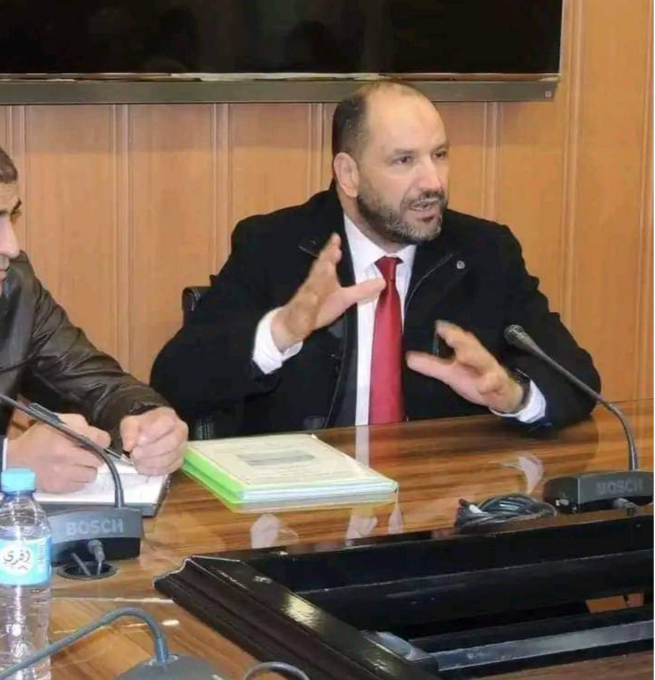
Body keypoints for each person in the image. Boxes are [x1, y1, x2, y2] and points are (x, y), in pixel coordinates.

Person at [151, 80, 600, 437]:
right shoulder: (275, 246)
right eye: (404, 161)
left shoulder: (484, 251)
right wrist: (280, 332)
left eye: (439, 155)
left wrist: (513, 395)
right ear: (348, 174)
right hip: (304, 509)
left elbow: (577, 378)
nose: (433, 182)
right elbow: (176, 380)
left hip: (440, 505)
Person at [0, 146, 188, 492]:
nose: (11, 246)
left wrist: (147, 419)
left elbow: (99, 386)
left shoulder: (15, 287)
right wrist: (8, 462)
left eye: (11, 217)